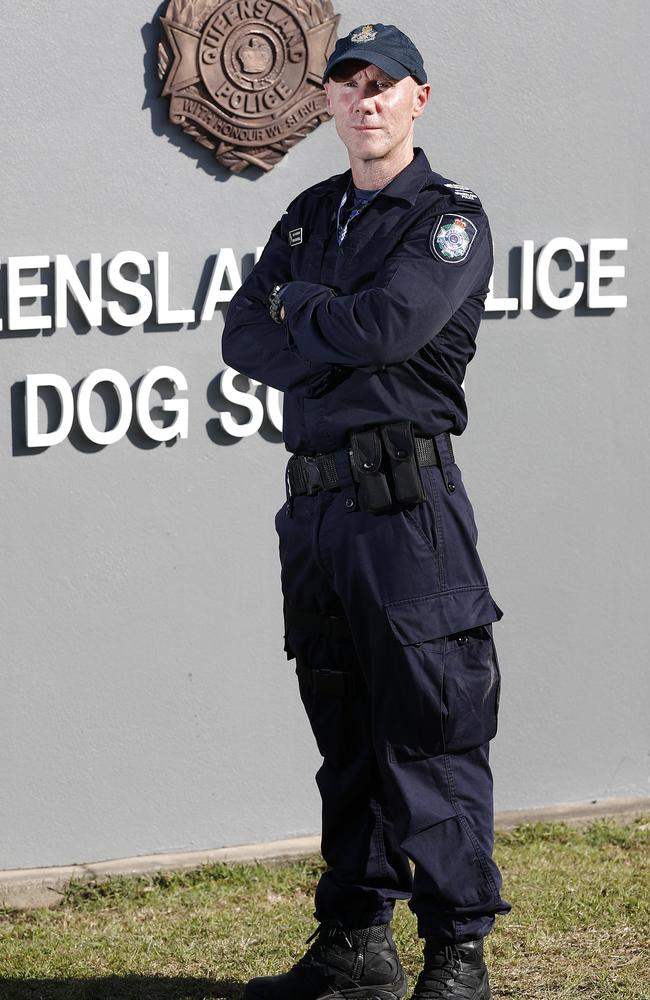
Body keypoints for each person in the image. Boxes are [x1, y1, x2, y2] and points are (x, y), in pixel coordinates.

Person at [222, 21, 510, 1000]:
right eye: (348, 85)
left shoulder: (446, 219)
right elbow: (240, 341)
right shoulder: (307, 217)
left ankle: (456, 953)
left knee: (426, 729)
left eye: (383, 84)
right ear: (330, 106)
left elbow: (392, 327)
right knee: (342, 731)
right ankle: (354, 939)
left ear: (417, 98)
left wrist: (301, 313)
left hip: (406, 512)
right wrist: (315, 321)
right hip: (315, 516)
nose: (365, 100)